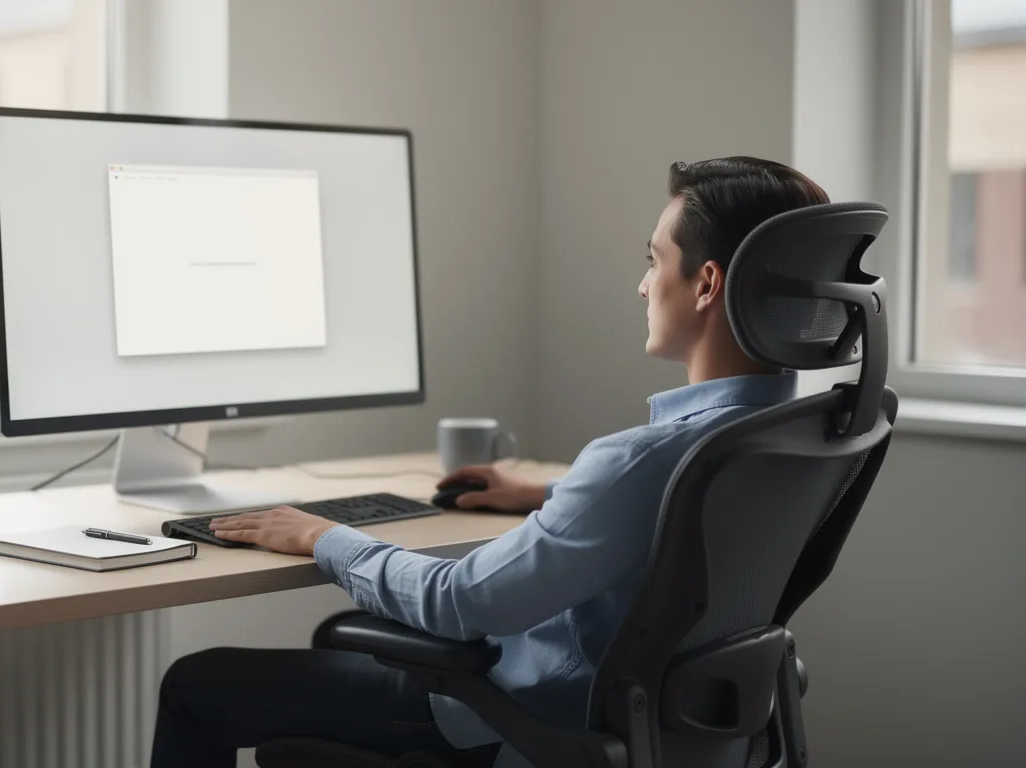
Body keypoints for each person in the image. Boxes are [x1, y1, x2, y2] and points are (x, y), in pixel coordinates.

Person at [149, 157, 829, 768]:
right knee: (341, 640)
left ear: (706, 283)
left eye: (654, 260)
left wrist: (322, 536)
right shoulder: (798, 434)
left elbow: (463, 602)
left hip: (529, 720)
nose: (643, 286)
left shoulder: (642, 459)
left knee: (197, 685)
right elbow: (677, 508)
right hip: (678, 732)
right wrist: (551, 493)